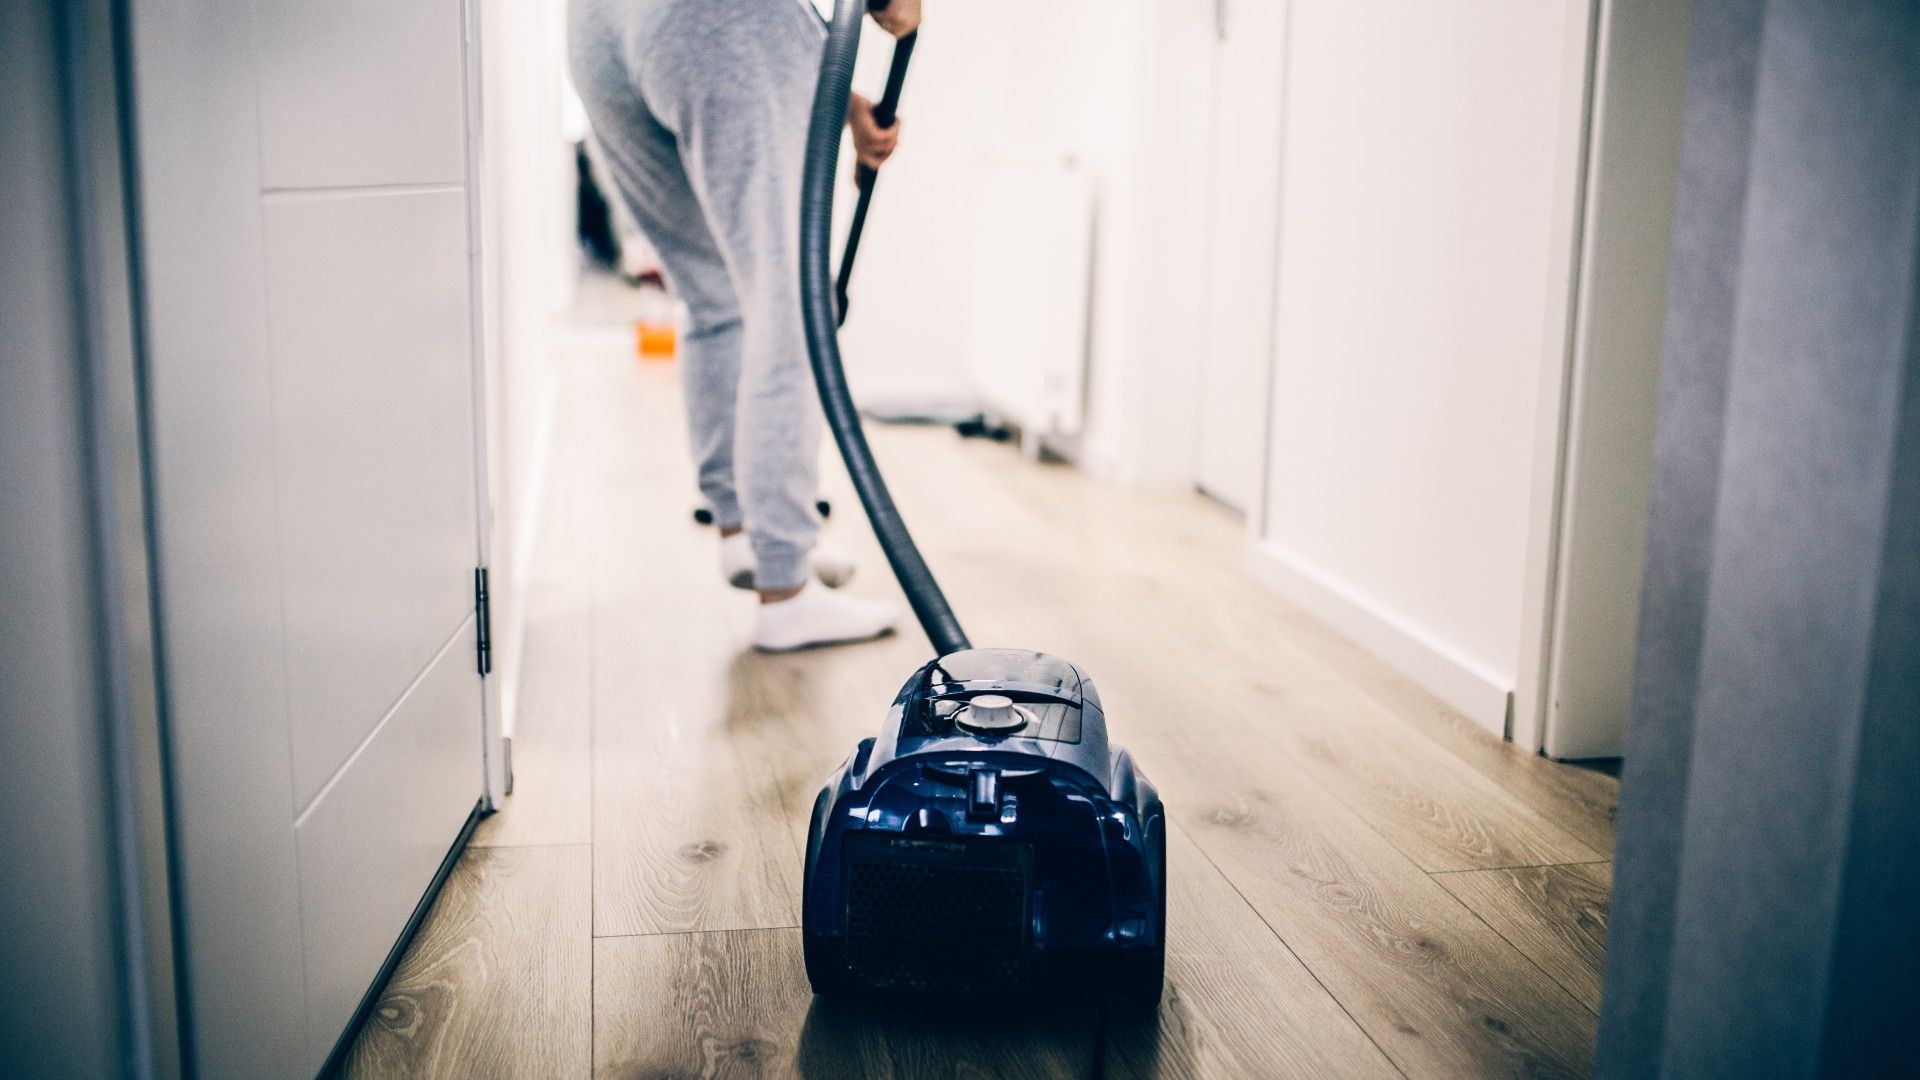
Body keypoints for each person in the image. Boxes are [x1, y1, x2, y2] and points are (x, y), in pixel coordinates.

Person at [569, 0, 921, 651]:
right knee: (787, 302)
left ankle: (743, 536)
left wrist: (837, 102)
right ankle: (785, 586)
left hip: (600, 30)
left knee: (716, 297)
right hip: (717, 20)